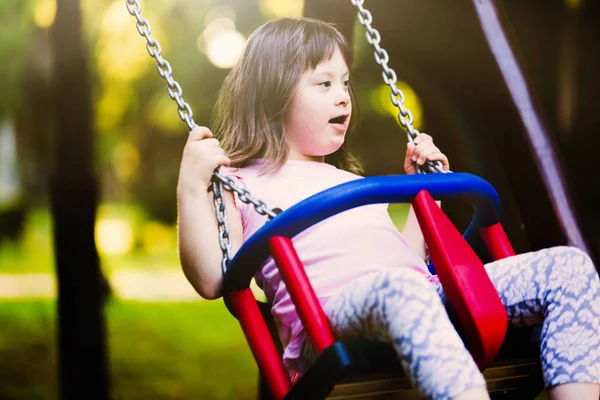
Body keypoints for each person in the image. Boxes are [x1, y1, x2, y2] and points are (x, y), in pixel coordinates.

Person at [177, 17, 600, 400]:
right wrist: (192, 185)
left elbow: (407, 262)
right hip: (326, 318)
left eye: (345, 83)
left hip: (413, 294)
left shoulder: (351, 184)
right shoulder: (237, 183)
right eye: (324, 84)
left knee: (569, 268)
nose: (343, 97)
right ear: (272, 94)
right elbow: (215, 279)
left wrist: (425, 193)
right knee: (401, 289)